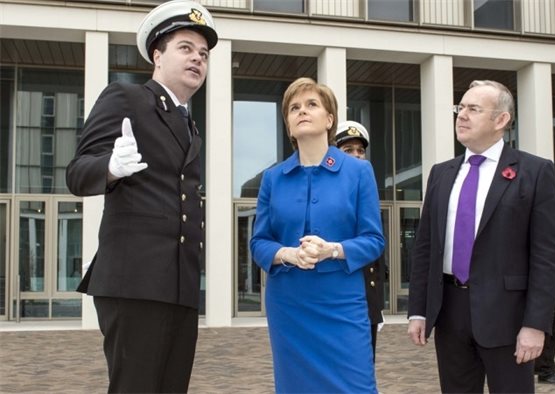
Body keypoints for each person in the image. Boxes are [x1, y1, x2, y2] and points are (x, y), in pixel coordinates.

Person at [65, 1, 217, 392]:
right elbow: (77, 174)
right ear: (157, 55)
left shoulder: (190, 126)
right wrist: (111, 167)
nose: (197, 59)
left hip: (179, 286)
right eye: (185, 48)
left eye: (203, 54)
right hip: (134, 283)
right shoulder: (126, 98)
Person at [407, 80, 555, 393]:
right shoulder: (441, 173)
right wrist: (418, 310)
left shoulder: (534, 172)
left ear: (501, 120)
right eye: (459, 107)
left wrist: (535, 325)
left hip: (508, 317)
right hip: (450, 312)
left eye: (473, 109)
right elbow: (425, 248)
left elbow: (546, 257)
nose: (461, 115)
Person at [250, 77, 384, 393]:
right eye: (294, 108)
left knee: (355, 385)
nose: (302, 111)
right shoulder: (273, 178)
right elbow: (259, 242)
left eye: (312, 105)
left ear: (329, 119)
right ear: (288, 125)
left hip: (341, 301)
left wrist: (332, 250)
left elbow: (374, 240)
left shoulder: (359, 172)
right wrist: (288, 254)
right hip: (289, 305)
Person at [335, 120, 385, 361]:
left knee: (363, 369)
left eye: (360, 150)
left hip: (366, 302)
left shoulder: (368, 193)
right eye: (348, 150)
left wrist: (377, 308)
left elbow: (376, 253)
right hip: (336, 300)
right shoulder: (329, 194)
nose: (357, 156)